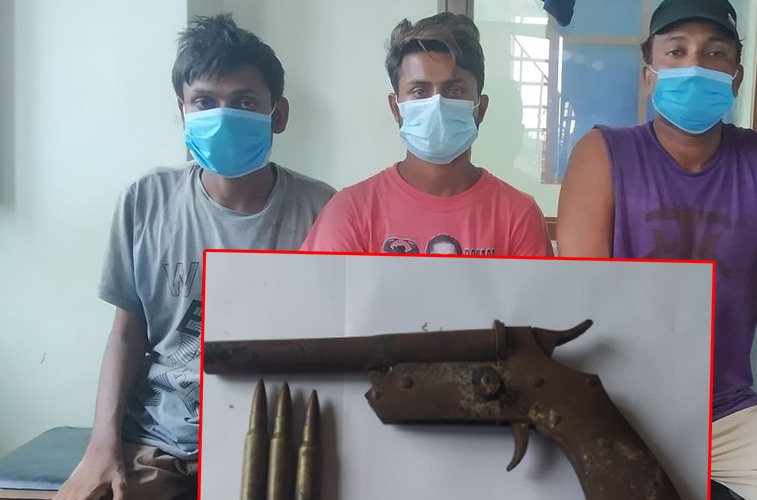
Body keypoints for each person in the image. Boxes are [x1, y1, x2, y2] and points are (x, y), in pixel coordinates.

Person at [556, 0, 757, 499]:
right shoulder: (602, 154)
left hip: (726, 414)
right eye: (676, 51)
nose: (695, 65)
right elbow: (585, 299)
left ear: (736, 77)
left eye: (715, 53)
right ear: (648, 74)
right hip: (617, 406)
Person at [54, 14, 334, 500]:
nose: (223, 116)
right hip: (154, 438)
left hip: (268, 435)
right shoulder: (145, 200)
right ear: (182, 111)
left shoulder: (323, 209)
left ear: (279, 114)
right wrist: (101, 444)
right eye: (204, 102)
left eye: (244, 102)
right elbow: (127, 333)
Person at [299, 13, 553, 257]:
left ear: (481, 108)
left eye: (454, 91)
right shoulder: (350, 212)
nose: (437, 104)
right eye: (420, 91)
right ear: (396, 108)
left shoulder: (518, 216)